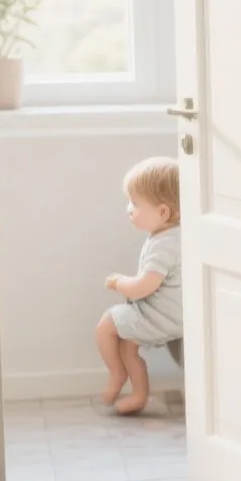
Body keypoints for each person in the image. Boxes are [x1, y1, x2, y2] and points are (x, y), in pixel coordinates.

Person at [97, 156, 182, 416]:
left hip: (161, 316)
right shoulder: (171, 234)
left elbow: (145, 286)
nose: (129, 209)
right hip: (166, 312)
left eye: (135, 203)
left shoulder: (164, 245)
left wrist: (120, 283)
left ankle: (117, 373)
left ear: (163, 212)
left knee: (106, 326)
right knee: (127, 346)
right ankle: (138, 395)